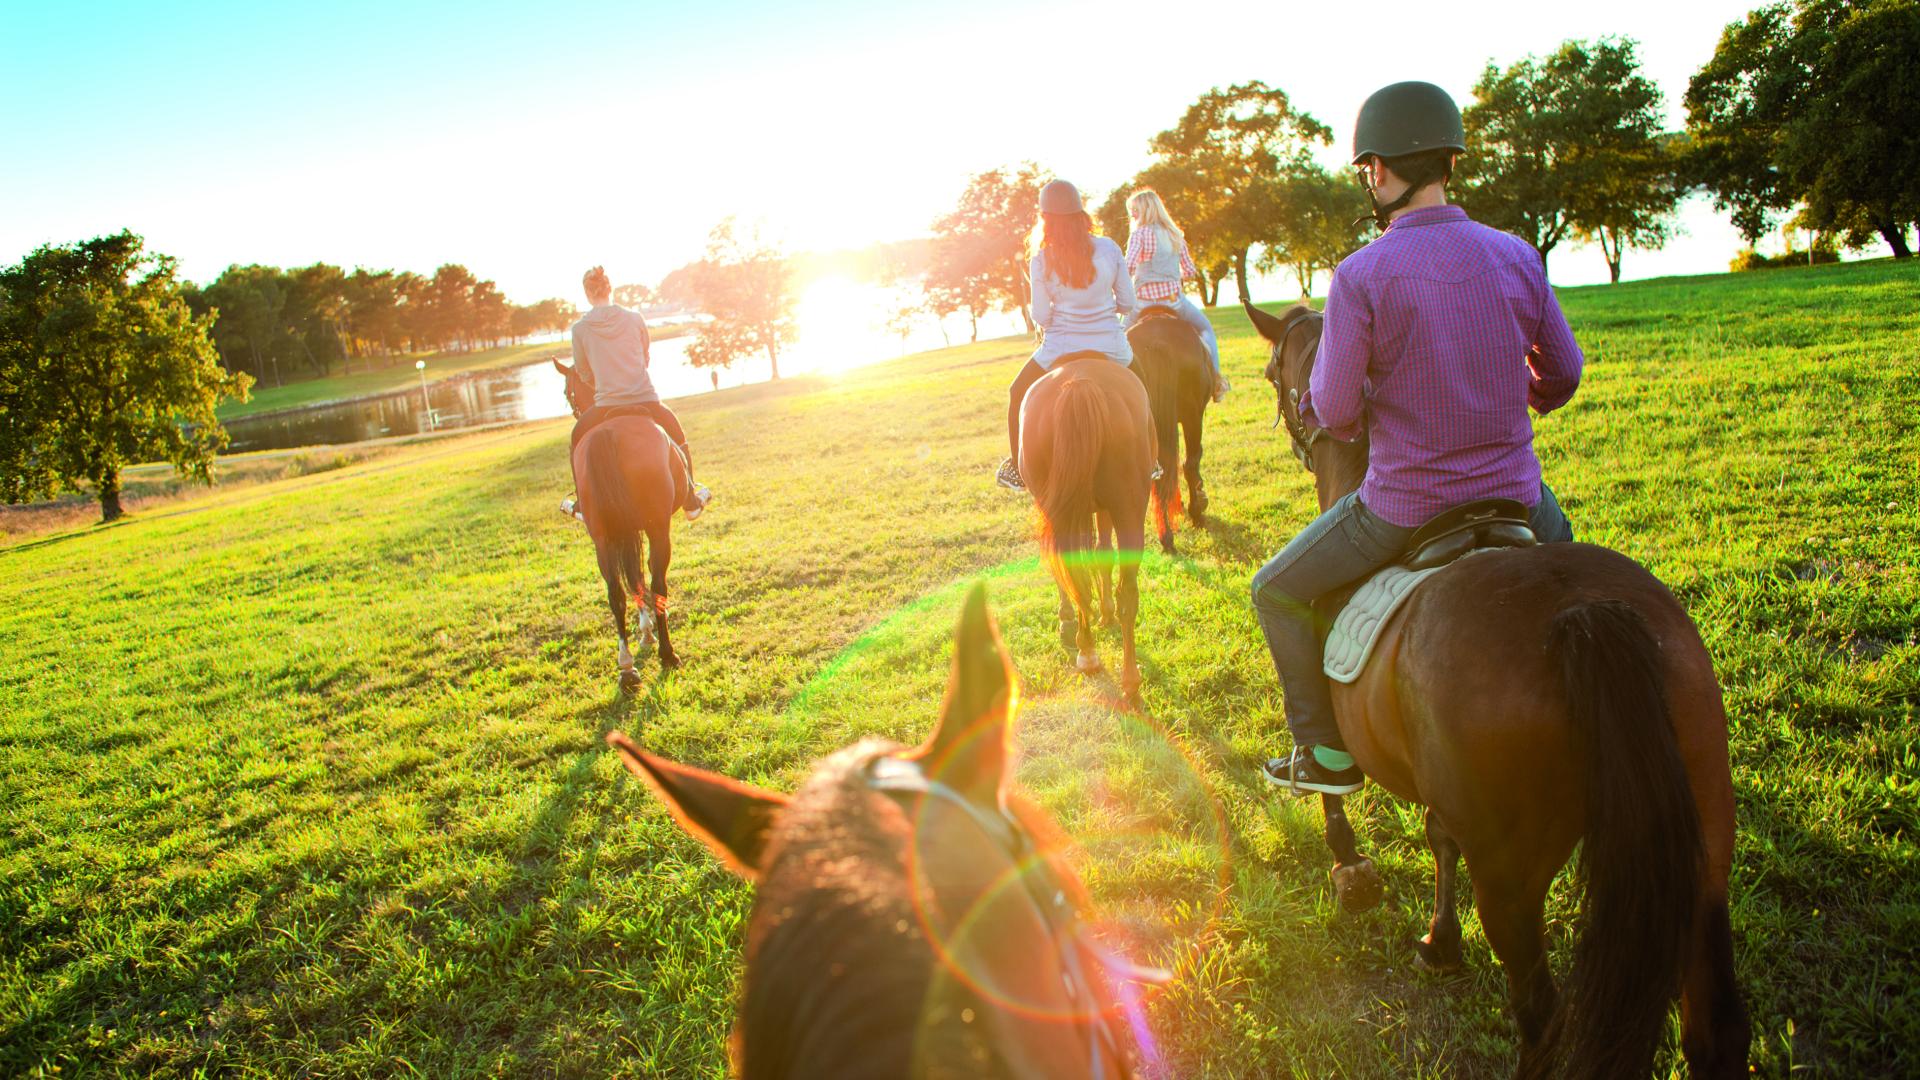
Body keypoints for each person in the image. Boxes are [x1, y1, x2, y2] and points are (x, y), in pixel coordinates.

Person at [1254, 81, 1582, 796]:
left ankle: (1325, 755)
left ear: (1377, 170)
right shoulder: (1518, 255)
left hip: (1404, 507)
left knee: (1275, 590)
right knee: (1587, 590)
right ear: (1447, 161)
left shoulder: (1361, 273)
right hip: (1518, 498)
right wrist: (1505, 392)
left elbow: (1335, 413)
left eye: (1367, 169)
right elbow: (1563, 374)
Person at [995, 180, 1140, 491]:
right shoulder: (1110, 248)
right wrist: (1102, 308)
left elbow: (1041, 316)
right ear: (1081, 214)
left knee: (1016, 392)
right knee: (1144, 388)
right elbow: (1128, 302)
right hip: (1112, 346)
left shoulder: (1040, 260)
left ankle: (1017, 468)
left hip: (1059, 348)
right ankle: (1150, 458)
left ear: (1045, 218)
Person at [561, 266, 712, 522]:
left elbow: (583, 372)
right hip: (646, 398)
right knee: (676, 433)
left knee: (577, 438)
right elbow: (644, 356)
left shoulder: (580, 330)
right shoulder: (635, 319)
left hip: (606, 403)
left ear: (587, 293)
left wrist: (603, 382)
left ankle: (583, 505)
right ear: (610, 288)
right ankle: (690, 499)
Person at [1123, 189, 1226, 401]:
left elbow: (1129, 267)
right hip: (1174, 302)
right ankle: (1216, 381)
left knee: (1117, 337)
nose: (1131, 214)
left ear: (1144, 210)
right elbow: (1189, 271)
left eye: (1134, 210)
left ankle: (1115, 386)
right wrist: (1170, 276)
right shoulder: (1174, 234)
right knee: (1206, 328)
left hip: (1141, 303)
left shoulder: (1139, 234)